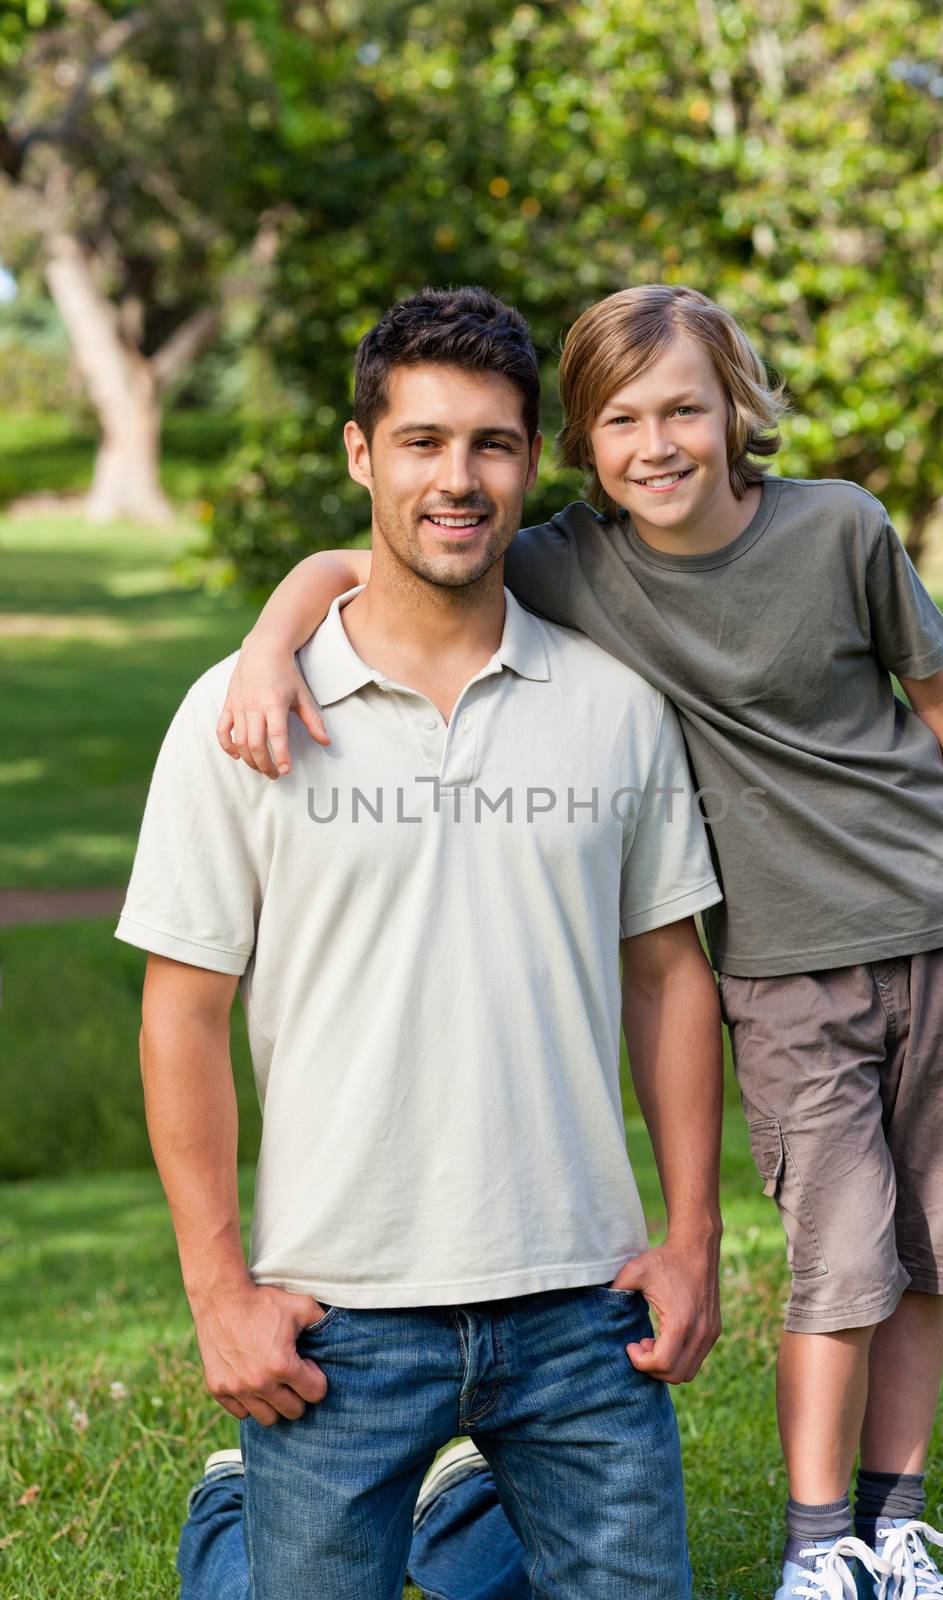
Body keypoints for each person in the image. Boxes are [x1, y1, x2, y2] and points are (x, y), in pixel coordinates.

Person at [220, 283, 943, 1600]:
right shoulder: (569, 561)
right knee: (842, 1250)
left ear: (738, 413)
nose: (656, 444)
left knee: (930, 1251)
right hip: (779, 968)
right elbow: (365, 559)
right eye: (620, 419)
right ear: (584, 448)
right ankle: (819, 1542)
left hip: (939, 927)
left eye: (684, 411)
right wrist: (273, 641)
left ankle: (897, 1524)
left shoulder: (843, 529)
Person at [118, 285, 728, 1600]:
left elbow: (671, 975)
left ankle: (459, 1510)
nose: (459, 479)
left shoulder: (614, 707)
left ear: (530, 463)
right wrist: (220, 1291)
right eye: (422, 442)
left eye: (493, 445)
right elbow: (182, 1011)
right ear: (361, 455)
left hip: (580, 1306)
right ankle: (233, 1519)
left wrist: (693, 1238)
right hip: (338, 1313)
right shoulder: (241, 713)